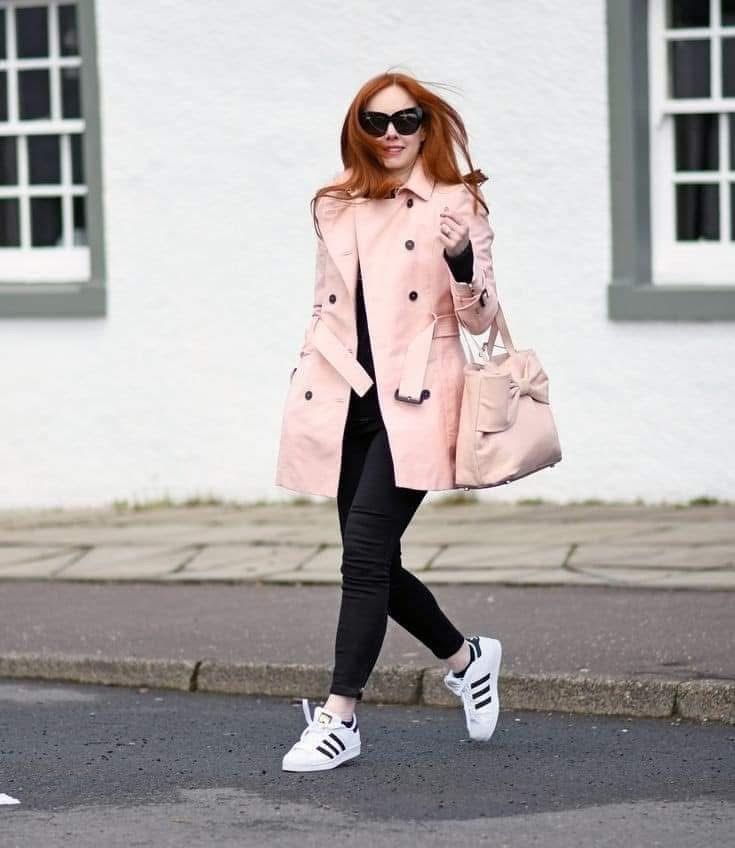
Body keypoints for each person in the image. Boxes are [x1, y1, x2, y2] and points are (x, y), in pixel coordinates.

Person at [275, 71, 503, 772]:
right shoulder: (335, 204)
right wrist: (308, 373)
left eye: (406, 120)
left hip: (420, 401)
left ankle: (340, 715)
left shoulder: (456, 203)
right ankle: (466, 659)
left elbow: (482, 320)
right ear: (359, 132)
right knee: (373, 557)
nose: (393, 134)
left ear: (426, 126)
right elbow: (326, 306)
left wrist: (460, 258)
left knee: (364, 554)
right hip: (347, 398)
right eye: (376, 123)